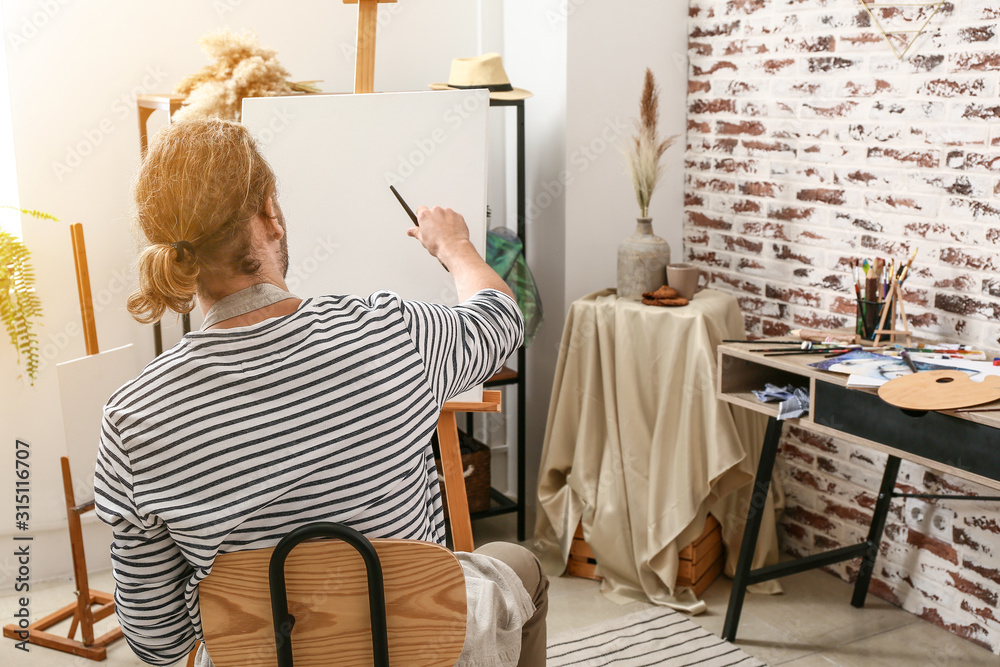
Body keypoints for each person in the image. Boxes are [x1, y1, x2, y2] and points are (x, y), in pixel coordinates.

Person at [94, 118, 547, 667]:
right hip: (414, 653)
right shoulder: (391, 332)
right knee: (520, 567)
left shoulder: (132, 418)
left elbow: (156, 640)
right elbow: (501, 317)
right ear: (271, 214)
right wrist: (454, 246)